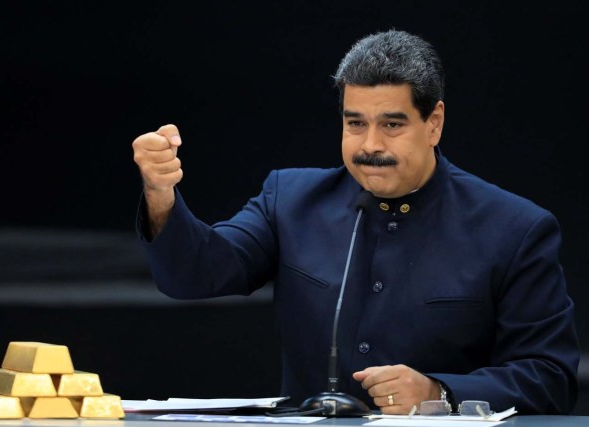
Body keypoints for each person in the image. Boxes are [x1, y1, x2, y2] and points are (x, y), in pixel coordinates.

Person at [131, 29, 579, 415]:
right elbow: (193, 274)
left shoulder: (515, 227)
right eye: (355, 123)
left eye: (392, 125)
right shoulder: (290, 200)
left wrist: (439, 391)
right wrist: (159, 193)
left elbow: (550, 376)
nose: (369, 145)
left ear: (434, 122)